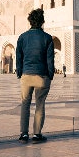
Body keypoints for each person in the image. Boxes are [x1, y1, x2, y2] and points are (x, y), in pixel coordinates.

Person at [16, 8, 54, 144]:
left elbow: (19, 57)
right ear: (42, 21)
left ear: (30, 21)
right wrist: (50, 75)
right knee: (40, 105)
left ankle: (24, 134)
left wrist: (19, 72)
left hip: (26, 75)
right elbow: (50, 60)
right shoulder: (47, 38)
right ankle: (37, 134)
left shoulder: (22, 37)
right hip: (42, 76)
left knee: (25, 104)